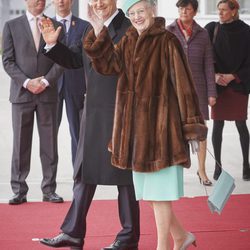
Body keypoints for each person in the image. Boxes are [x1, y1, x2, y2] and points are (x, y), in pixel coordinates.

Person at [82, 0, 207, 249]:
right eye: (132, 13)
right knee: (150, 196)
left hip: (162, 134)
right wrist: (98, 32)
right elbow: (108, 66)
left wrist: (191, 126)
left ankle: (164, 246)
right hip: (135, 136)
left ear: (153, 11)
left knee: (159, 196)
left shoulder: (167, 41)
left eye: (141, 11)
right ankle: (182, 236)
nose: (137, 17)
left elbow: (184, 86)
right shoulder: (128, 39)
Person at [39, 0, 140, 249]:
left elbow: (118, 67)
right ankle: (73, 232)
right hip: (92, 113)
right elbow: (75, 60)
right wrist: (53, 44)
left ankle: (128, 237)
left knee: (124, 178)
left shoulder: (128, 29)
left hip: (119, 114)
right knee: (84, 174)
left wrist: (99, 33)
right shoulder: (90, 29)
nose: (98, 3)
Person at [2, 0, 64, 205]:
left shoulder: (54, 26)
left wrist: (45, 81)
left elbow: (61, 59)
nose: (39, 1)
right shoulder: (11, 26)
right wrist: (27, 83)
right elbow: (8, 61)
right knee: (21, 144)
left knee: (49, 144)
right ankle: (19, 190)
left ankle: (49, 189)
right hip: (22, 94)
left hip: (48, 93)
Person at [167, 0, 217, 186]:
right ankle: (175, 171)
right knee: (175, 131)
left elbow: (208, 65)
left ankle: (202, 171)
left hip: (199, 91)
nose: (183, 11)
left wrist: (212, 92)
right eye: (181, 8)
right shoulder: (168, 31)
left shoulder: (203, 34)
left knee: (201, 131)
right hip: (174, 90)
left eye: (187, 8)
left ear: (195, 11)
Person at [205, 0, 250, 181]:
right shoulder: (212, 29)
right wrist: (215, 76)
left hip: (238, 84)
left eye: (224, 10)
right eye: (219, 10)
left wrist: (234, 76)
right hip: (218, 85)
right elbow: (205, 56)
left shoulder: (247, 32)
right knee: (217, 125)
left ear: (233, 11)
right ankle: (218, 166)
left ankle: (246, 166)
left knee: (241, 124)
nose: (220, 13)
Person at [53, 0, 89, 165]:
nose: (61, 1)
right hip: (51, 86)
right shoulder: (45, 24)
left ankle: (78, 176)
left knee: (77, 134)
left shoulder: (84, 26)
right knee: (49, 137)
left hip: (76, 86)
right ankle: (49, 183)